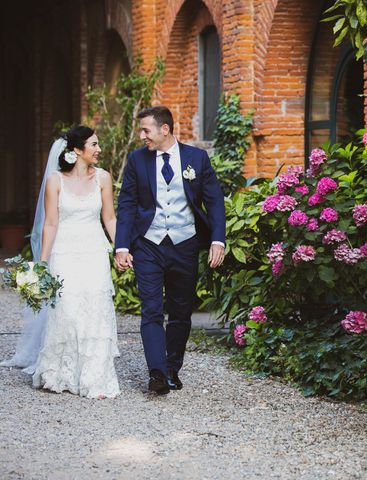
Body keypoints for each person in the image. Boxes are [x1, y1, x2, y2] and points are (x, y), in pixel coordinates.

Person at [1, 126, 120, 399]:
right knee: (65, 310)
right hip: (64, 252)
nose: (99, 149)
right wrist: (41, 264)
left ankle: (94, 378)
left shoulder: (103, 178)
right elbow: (51, 223)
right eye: (94, 144)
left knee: (95, 308)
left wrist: (121, 248)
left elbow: (110, 219)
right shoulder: (55, 181)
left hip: (93, 250)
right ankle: (60, 374)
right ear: (77, 150)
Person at [114, 106, 225, 395]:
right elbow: (126, 204)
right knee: (151, 310)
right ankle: (157, 374)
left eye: (146, 130)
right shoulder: (137, 160)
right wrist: (122, 245)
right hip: (148, 244)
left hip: (184, 243)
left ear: (165, 129)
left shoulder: (196, 159)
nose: (142, 136)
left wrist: (218, 240)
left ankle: (172, 367)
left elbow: (214, 202)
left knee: (180, 312)